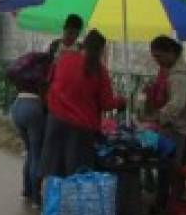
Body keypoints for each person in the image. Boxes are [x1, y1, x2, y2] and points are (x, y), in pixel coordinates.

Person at [37, 29, 125, 202]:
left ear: (83, 43)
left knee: (52, 168)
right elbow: (107, 103)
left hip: (56, 121)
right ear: (101, 50)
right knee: (77, 173)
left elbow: (50, 82)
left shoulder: (64, 59)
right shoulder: (99, 71)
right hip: (81, 128)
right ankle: (74, 213)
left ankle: (49, 210)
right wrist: (121, 102)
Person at [143, 35, 186, 213]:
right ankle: (167, 202)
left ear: (171, 53)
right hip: (177, 126)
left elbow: (177, 104)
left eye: (159, 56)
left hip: (180, 128)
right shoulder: (171, 72)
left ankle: (167, 204)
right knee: (169, 167)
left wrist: (158, 117)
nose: (157, 61)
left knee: (170, 168)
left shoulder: (179, 76)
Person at [8, 51, 50, 202]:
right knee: (36, 154)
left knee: (30, 152)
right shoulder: (42, 72)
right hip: (33, 108)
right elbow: (45, 95)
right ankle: (36, 196)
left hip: (17, 106)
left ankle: (26, 190)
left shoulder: (24, 73)